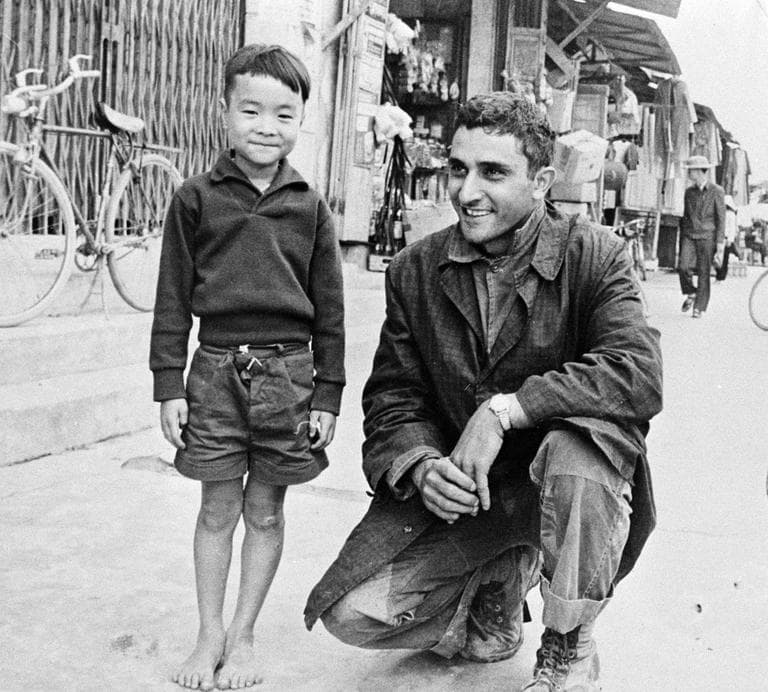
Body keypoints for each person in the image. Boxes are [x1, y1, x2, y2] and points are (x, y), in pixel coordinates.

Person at [304, 92, 662, 691]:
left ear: (541, 182)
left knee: (579, 455)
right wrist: (421, 466)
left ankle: (569, 645)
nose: (467, 191)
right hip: (474, 502)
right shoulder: (415, 270)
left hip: (565, 490)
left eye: (493, 172)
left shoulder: (597, 255)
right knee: (351, 614)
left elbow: (636, 371)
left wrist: (506, 411)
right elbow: (394, 397)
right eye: (457, 168)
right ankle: (496, 586)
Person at [150, 44, 345, 690]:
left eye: (284, 114)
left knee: (265, 511)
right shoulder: (194, 199)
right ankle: (208, 634)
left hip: (289, 379)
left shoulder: (310, 207)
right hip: (214, 374)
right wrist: (169, 385)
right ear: (224, 111)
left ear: (301, 120)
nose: (267, 126)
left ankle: (244, 634)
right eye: (251, 110)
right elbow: (173, 298)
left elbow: (331, 311)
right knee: (216, 508)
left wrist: (327, 394)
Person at [678, 154, 725, 318]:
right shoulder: (688, 192)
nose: (689, 174)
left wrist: (720, 244)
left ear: (699, 171)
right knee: (683, 267)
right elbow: (685, 216)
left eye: (691, 171)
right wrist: (682, 236)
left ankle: (699, 307)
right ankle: (691, 292)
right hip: (689, 235)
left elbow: (721, 219)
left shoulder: (717, 191)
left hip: (707, 236)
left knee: (704, 273)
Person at [714, 194, 742, 281]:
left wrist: (730, 239)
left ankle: (721, 276)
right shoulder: (720, 213)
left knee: (724, 258)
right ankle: (718, 273)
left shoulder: (731, 214)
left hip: (726, 238)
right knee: (718, 257)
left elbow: (732, 228)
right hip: (719, 237)